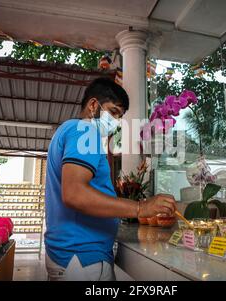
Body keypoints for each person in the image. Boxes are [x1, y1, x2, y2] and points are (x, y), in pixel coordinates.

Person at [44, 77, 177, 281]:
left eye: (120, 117)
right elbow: (74, 194)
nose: (116, 122)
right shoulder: (85, 130)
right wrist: (141, 208)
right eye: (113, 112)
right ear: (93, 105)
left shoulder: (68, 130)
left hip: (71, 255)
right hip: (82, 257)